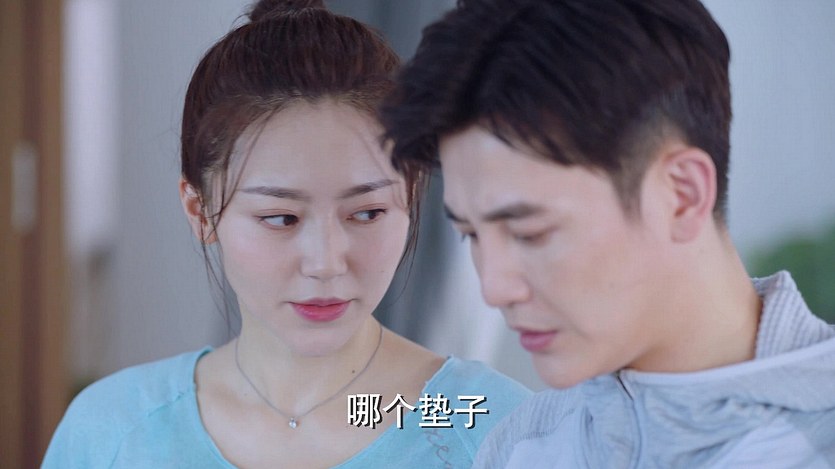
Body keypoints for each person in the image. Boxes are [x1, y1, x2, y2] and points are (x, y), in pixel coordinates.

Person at [42, 1, 530, 467]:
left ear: (413, 194)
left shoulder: (497, 428)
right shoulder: (111, 430)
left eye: (367, 213)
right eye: (281, 218)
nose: (325, 263)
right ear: (200, 211)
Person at [380, 0, 835, 467]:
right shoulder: (523, 444)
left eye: (530, 233)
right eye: (471, 235)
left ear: (681, 195)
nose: (494, 288)